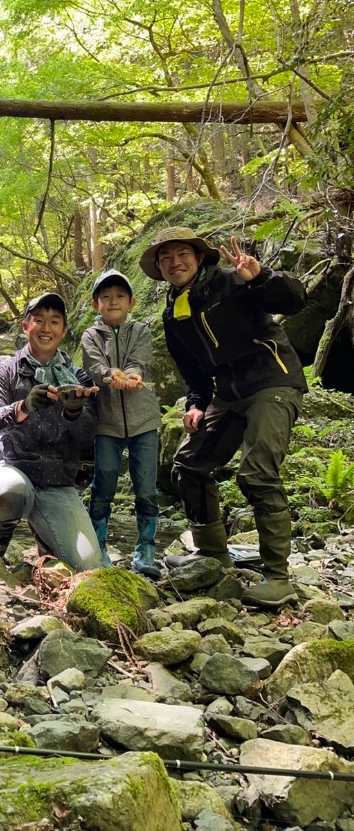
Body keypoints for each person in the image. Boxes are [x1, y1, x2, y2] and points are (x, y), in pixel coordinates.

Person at [139, 226, 308, 607]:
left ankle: (278, 578)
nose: (175, 263)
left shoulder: (234, 282)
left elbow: (295, 299)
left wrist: (261, 277)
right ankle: (213, 553)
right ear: (160, 268)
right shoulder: (174, 313)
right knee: (189, 464)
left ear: (199, 258)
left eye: (182, 254)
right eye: (166, 258)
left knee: (257, 472)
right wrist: (196, 404)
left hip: (273, 382)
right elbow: (193, 371)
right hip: (228, 394)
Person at [0, 292, 104, 570]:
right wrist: (23, 407)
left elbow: (88, 436)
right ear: (26, 326)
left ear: (64, 331)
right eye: (39, 320)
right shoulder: (4, 372)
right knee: (8, 491)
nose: (46, 328)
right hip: (10, 468)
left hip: (57, 481)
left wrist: (74, 411)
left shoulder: (79, 378)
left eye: (55, 322)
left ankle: (47, 542)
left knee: (88, 566)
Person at [81, 269, 162, 579]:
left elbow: (140, 360)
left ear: (132, 302)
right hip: (106, 421)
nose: (113, 301)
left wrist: (132, 374)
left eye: (119, 296)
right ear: (95, 304)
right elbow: (94, 365)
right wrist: (110, 375)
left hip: (144, 421)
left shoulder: (141, 330)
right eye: (106, 297)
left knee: (146, 488)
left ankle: (146, 550)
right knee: (103, 485)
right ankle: (99, 547)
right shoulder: (91, 335)